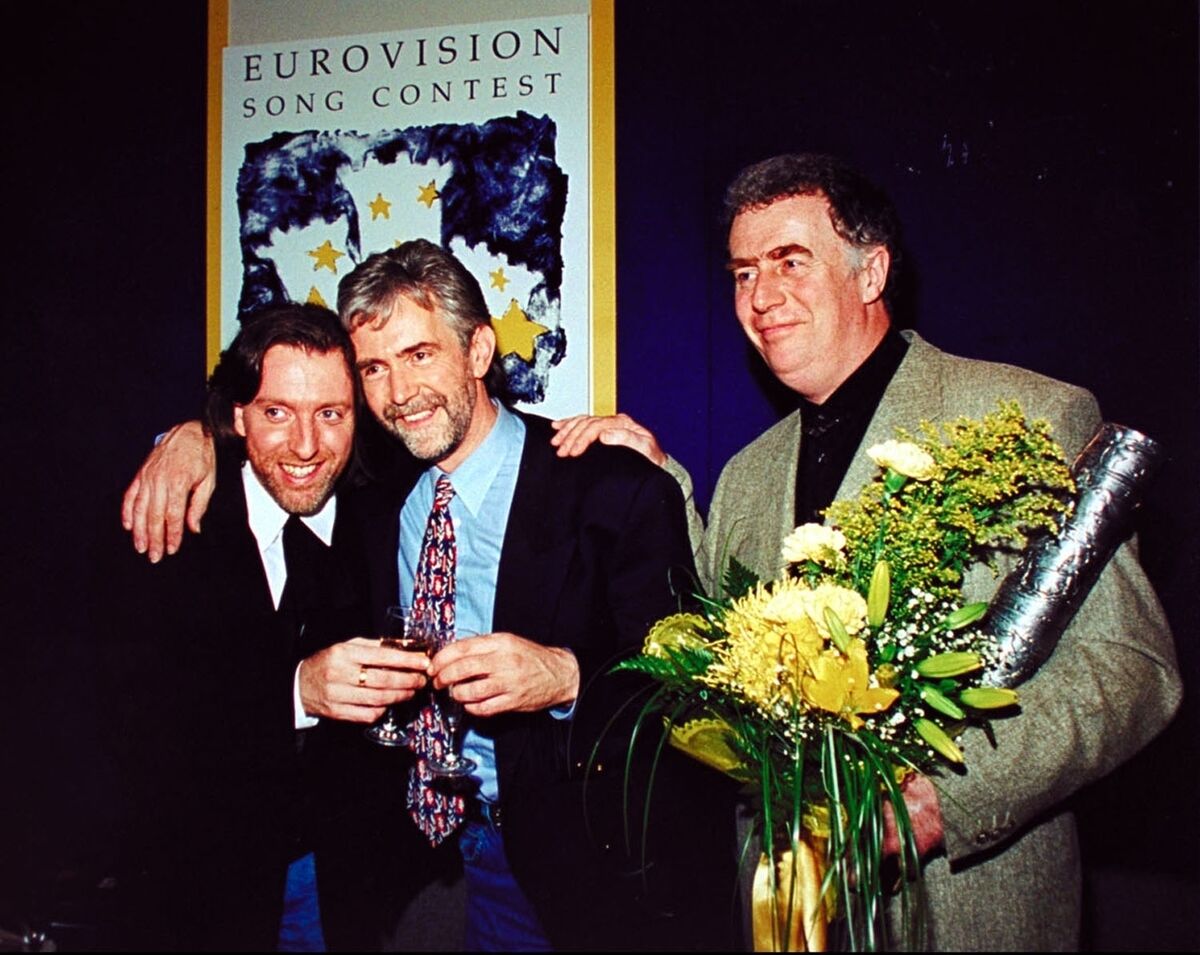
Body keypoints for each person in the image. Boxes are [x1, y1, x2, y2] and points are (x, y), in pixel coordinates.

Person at [549, 153, 1182, 950]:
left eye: (789, 261)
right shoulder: (748, 472)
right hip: (792, 912)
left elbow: (1130, 667)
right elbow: (713, 638)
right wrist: (660, 474)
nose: (760, 296)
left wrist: (942, 798)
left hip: (968, 905)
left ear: (872, 270)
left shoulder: (1024, 412)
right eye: (743, 272)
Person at [118, 241, 737, 951]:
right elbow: (280, 434)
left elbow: (693, 691)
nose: (397, 393)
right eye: (374, 369)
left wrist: (567, 675)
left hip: (574, 871)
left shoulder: (611, 490)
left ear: (478, 349)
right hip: (409, 873)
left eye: (419, 356)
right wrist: (193, 435)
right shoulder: (372, 495)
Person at [95, 303, 426, 951]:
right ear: (238, 415)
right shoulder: (167, 523)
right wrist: (296, 694)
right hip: (200, 893)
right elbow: (130, 731)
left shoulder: (383, 515)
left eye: (331, 413)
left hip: (344, 892)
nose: (305, 445)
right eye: (277, 412)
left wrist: (612, 440)